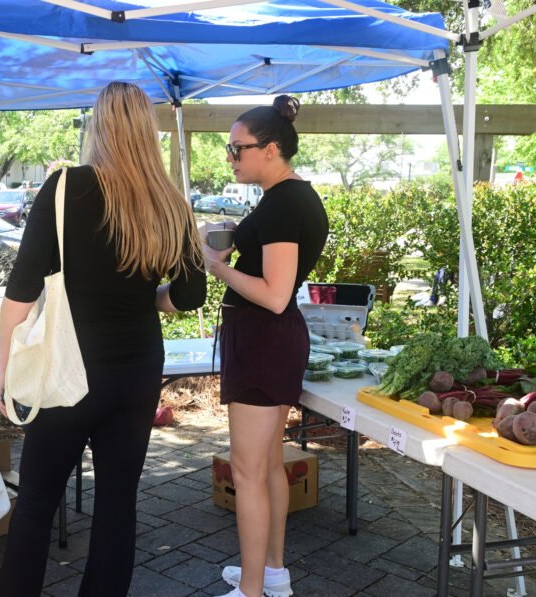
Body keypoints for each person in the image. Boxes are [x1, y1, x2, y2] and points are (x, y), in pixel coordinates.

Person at [0, 81, 207, 597]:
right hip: (137, 372)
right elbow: (190, 294)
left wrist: (5, 367)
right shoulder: (170, 202)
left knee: (37, 502)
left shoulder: (65, 187)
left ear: (98, 126)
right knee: (117, 505)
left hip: (68, 369)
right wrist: (146, 299)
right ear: (148, 131)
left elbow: (22, 290)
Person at [201, 95, 328, 597]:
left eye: (238, 148)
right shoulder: (290, 197)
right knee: (268, 464)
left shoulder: (281, 204)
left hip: (262, 338)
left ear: (270, 149)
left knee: (249, 471)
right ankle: (272, 574)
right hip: (269, 340)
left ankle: (251, 590)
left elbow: (276, 294)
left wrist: (218, 268)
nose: (230, 157)